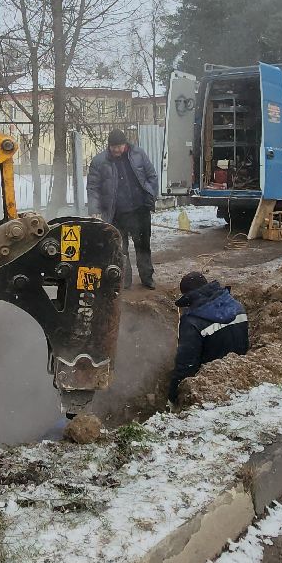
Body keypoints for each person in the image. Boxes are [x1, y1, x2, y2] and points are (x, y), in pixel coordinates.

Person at [86, 128, 158, 289]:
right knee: (119, 249)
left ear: (125, 144)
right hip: (115, 214)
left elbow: (151, 176)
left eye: (119, 146)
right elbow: (92, 188)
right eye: (113, 147)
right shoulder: (99, 162)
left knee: (143, 246)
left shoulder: (138, 154)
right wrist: (94, 209)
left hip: (140, 211)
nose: (117, 150)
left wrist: (150, 195)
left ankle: (147, 278)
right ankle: (124, 281)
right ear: (109, 146)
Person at [171, 271, 249, 403]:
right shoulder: (236, 306)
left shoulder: (192, 322)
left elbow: (187, 364)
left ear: (187, 296)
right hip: (241, 373)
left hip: (211, 383)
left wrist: (173, 393)